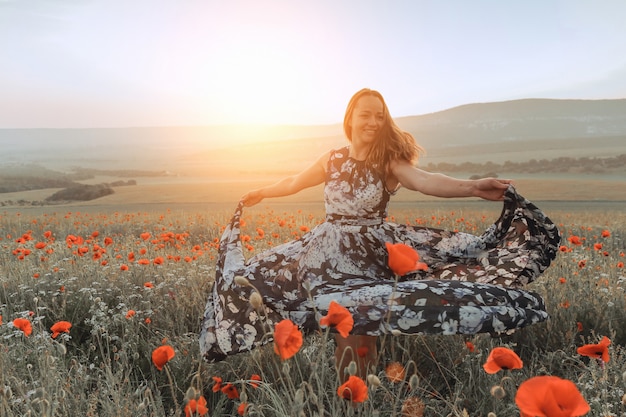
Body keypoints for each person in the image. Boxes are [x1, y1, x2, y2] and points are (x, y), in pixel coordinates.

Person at [200, 88, 560, 379]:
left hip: (367, 257)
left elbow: (427, 181)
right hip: (324, 254)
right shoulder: (333, 159)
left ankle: (356, 398)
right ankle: (349, 399)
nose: (373, 121)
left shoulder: (388, 161)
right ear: (351, 119)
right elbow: (295, 181)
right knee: (255, 283)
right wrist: (263, 191)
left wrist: (474, 186)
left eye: (379, 115)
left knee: (359, 327)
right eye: (365, 114)